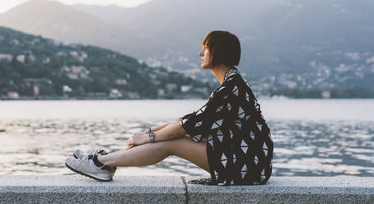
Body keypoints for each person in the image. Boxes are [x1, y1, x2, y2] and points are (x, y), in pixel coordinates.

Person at [65, 30, 274, 185]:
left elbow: (188, 125)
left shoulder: (232, 88)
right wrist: (150, 132)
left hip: (248, 165)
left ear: (218, 52)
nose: (200, 53)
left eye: (206, 48)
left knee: (172, 143)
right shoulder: (232, 84)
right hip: (246, 161)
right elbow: (192, 120)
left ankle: (100, 163)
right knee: (175, 137)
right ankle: (104, 162)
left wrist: (149, 138)